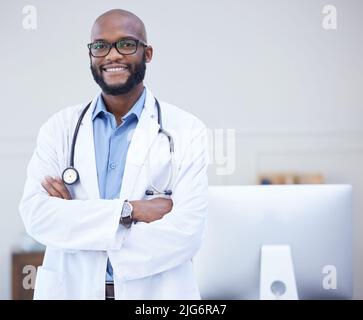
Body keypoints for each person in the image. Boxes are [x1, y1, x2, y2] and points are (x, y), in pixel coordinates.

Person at [19, 9, 208, 300]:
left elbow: (186, 234)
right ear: (91, 55)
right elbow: (37, 216)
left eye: (127, 44)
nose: (112, 55)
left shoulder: (187, 130)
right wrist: (128, 211)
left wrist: (76, 218)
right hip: (72, 290)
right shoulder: (59, 129)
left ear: (148, 53)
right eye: (100, 46)